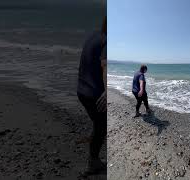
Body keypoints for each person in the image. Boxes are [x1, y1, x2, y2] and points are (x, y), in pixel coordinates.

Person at [77, 14, 107, 175]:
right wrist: (107, 91)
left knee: (99, 122)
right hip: (93, 94)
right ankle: (93, 162)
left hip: (82, 90)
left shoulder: (94, 36)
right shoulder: (107, 41)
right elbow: (105, 65)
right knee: (102, 125)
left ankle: (92, 142)